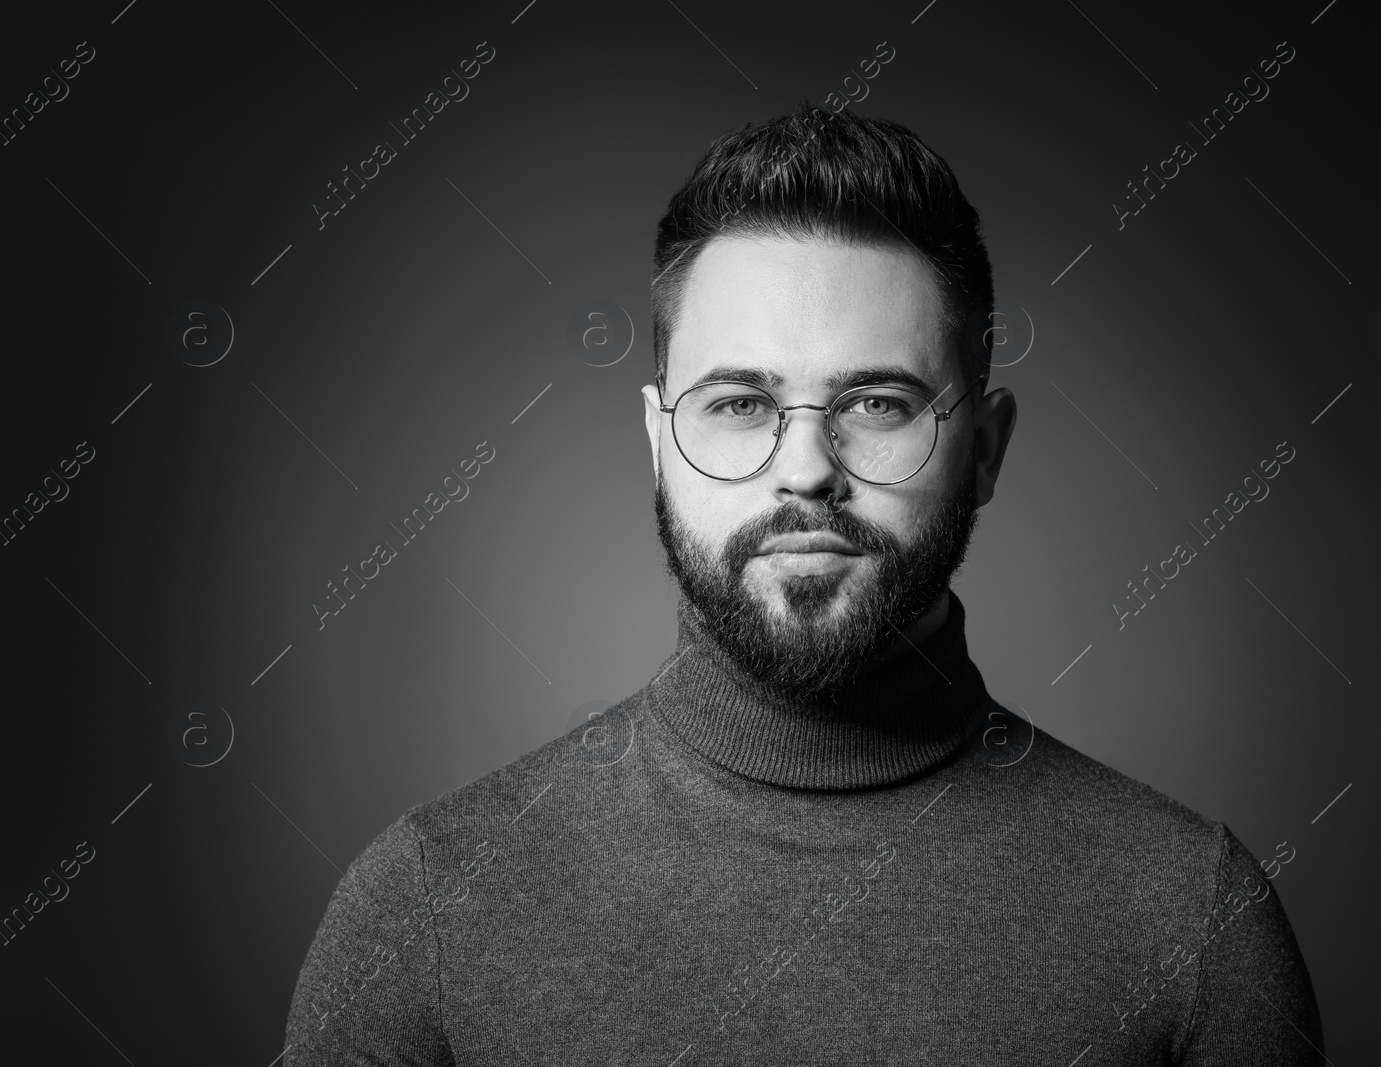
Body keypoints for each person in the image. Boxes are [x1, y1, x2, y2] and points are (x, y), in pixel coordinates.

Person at [285, 103, 1322, 1064]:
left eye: (876, 401)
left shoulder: (1191, 916)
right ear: (657, 441)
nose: (804, 467)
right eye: (738, 401)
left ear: (986, 449)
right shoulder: (422, 906)